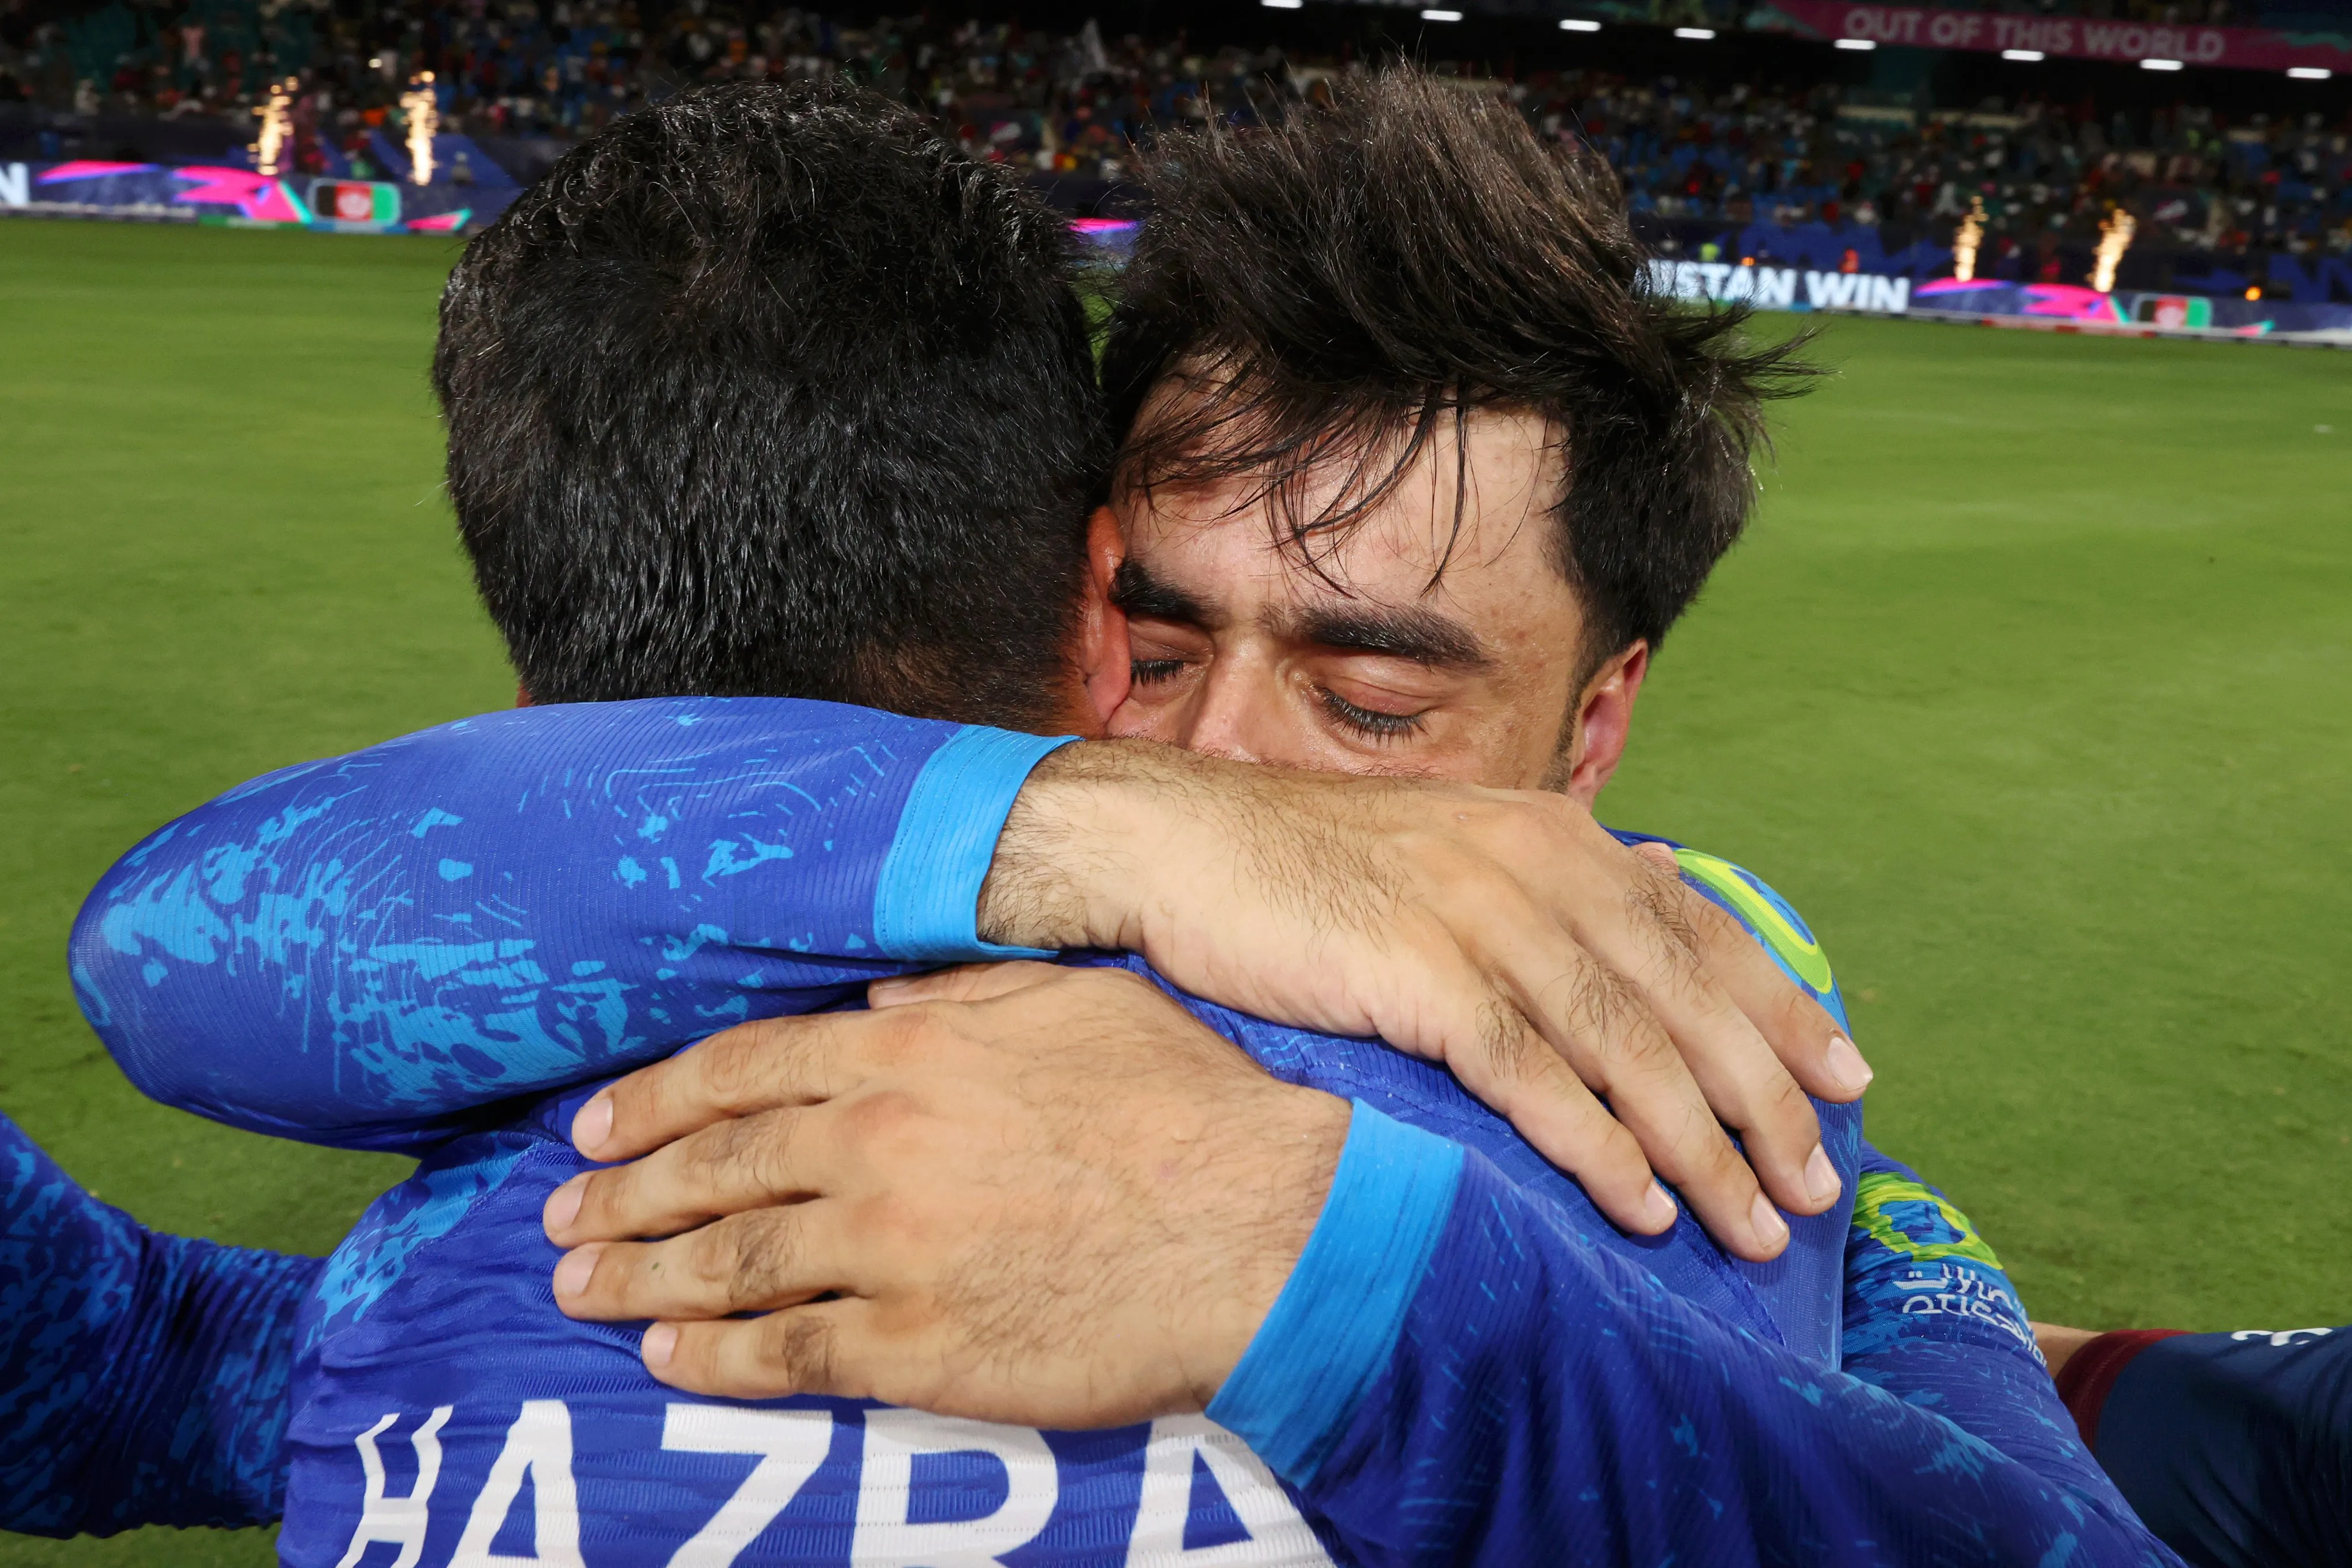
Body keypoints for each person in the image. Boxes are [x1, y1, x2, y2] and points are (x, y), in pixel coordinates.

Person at [66, 78, 2171, 1565]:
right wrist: (1103, 828)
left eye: (1367, 701)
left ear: (1594, 724)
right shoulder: (781, 890)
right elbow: (181, 975)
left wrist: (1344, 1288)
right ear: (1069, 585)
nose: (1222, 763)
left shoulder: (1690, 1011)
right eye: (1153, 643)